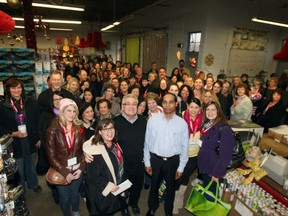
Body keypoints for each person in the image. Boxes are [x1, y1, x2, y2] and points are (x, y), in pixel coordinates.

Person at [144, 93, 189, 216]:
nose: (167, 105)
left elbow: (185, 147)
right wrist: (147, 162)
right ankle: (152, 207)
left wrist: (181, 167)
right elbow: (147, 143)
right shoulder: (153, 121)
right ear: (161, 103)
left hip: (173, 161)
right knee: (154, 186)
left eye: (171, 102)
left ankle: (168, 210)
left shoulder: (182, 123)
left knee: (170, 188)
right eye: (165, 102)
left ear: (176, 104)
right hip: (156, 160)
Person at [0, 78, 42, 193]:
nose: (16, 90)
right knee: (19, 169)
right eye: (13, 88)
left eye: (19, 87)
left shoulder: (30, 102)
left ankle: (33, 184)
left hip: (30, 139)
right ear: (8, 89)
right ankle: (20, 189)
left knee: (31, 165)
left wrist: (38, 138)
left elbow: (38, 120)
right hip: (14, 142)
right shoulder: (3, 106)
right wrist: (14, 133)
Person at [46, 98, 85, 216]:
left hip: (77, 169)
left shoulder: (79, 128)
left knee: (75, 194)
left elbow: (84, 150)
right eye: (69, 110)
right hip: (61, 170)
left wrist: (81, 168)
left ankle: (76, 211)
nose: (72, 114)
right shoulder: (52, 130)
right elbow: (51, 156)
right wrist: (65, 172)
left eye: (74, 111)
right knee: (65, 197)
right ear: (62, 111)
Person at [83, 119, 127, 216]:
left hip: (112, 189)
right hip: (100, 194)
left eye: (111, 128)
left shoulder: (114, 144)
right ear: (99, 132)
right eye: (105, 129)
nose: (109, 131)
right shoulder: (95, 151)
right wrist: (110, 186)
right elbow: (92, 177)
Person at [173, 98, 203, 214]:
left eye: (196, 107)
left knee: (186, 176)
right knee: (178, 176)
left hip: (195, 155)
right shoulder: (181, 119)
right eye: (191, 107)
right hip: (181, 154)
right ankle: (175, 199)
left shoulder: (203, 120)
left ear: (200, 109)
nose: (193, 110)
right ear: (187, 107)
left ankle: (180, 196)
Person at [197, 101, 234, 195]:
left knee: (211, 197)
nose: (210, 112)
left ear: (218, 111)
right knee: (207, 193)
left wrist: (216, 174)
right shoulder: (207, 124)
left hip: (213, 170)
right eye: (208, 109)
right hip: (205, 166)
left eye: (213, 109)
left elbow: (225, 156)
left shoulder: (224, 129)